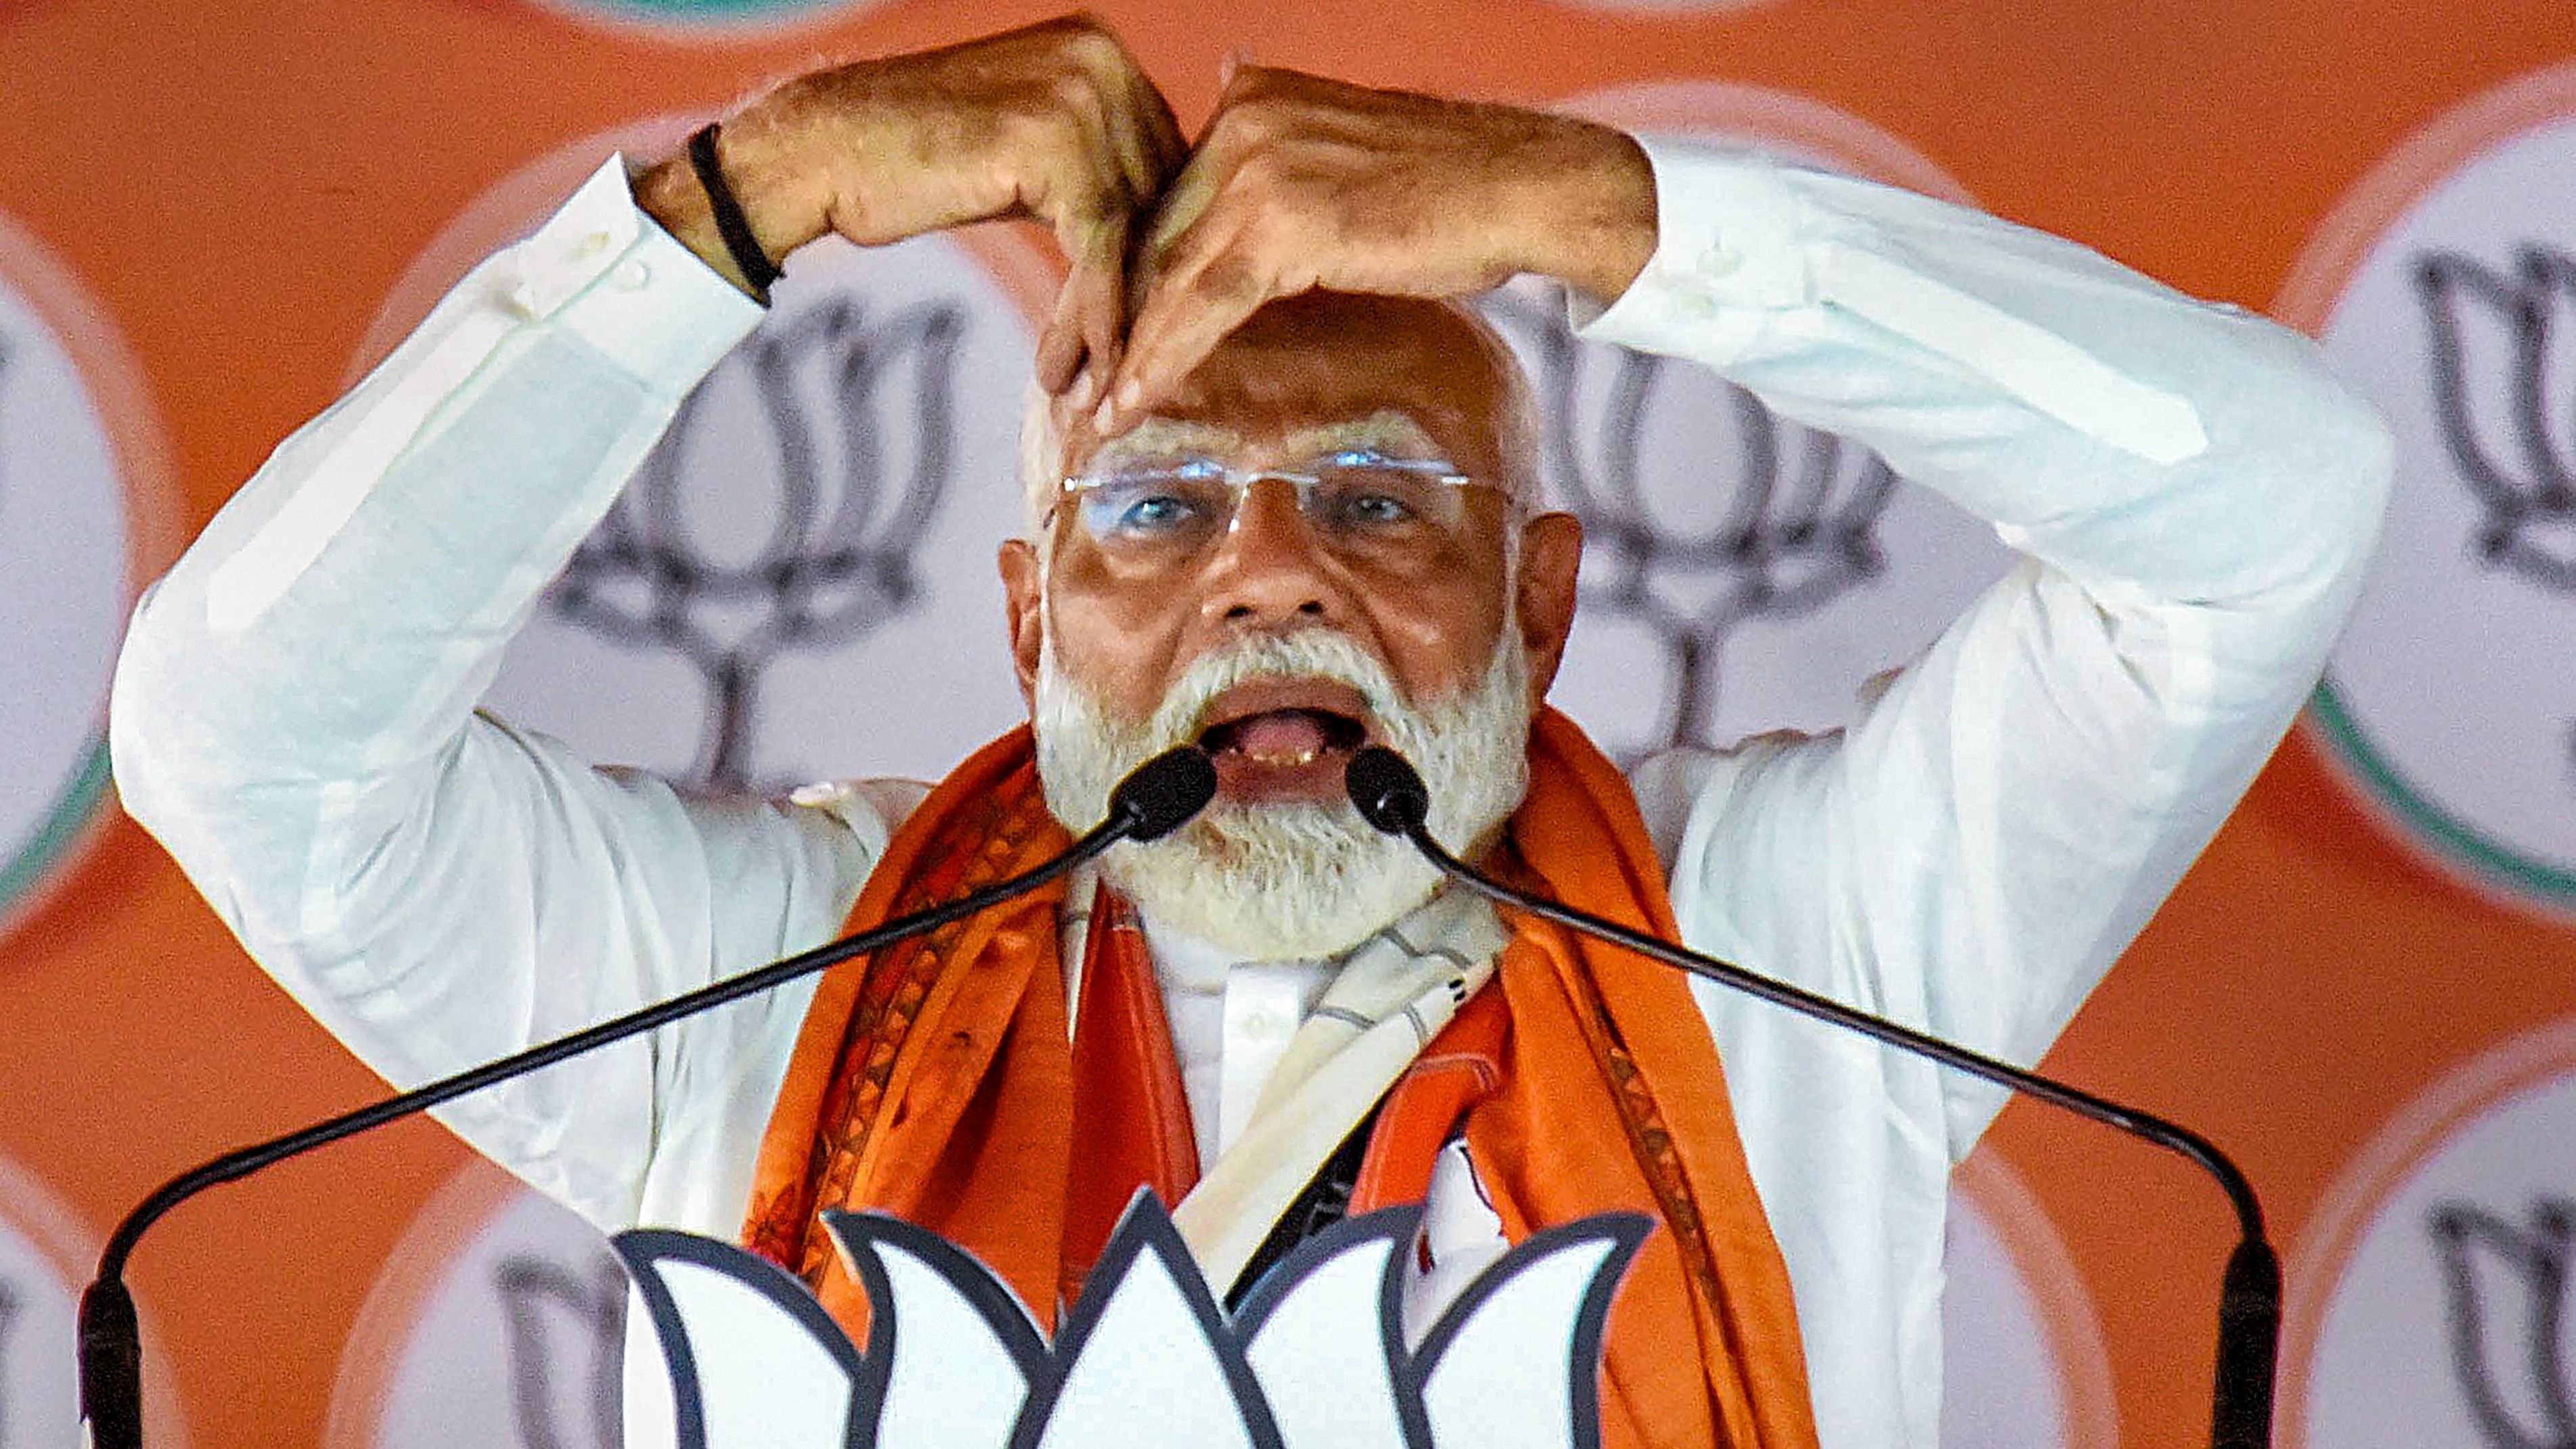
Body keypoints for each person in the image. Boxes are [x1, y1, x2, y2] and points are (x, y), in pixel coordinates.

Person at [108, 16, 2391, 1449]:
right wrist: (729, 210)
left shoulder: (1789, 934)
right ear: (1025, 622)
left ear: (1546, 598)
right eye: (1159, 503)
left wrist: (1607, 221)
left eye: (1385, 499)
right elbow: (239, 742)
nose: (1267, 577)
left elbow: (2273, 502)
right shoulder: (768, 982)